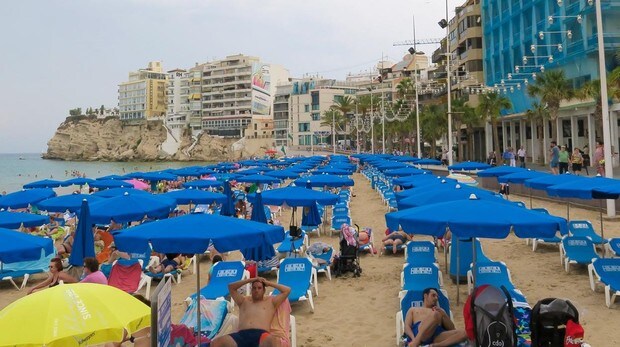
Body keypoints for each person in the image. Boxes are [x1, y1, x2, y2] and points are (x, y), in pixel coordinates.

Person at [211, 277, 291, 347]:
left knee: (272, 341)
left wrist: (268, 283)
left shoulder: (271, 302)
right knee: (216, 343)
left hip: (261, 335)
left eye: (259, 288)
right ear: (251, 289)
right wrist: (251, 279)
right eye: (254, 288)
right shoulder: (243, 301)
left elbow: (287, 290)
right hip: (241, 336)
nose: (256, 290)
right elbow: (231, 287)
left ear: (264, 290)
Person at [403, 287, 468, 347]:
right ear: (425, 296)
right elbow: (407, 327)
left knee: (466, 333)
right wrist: (413, 338)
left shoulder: (440, 311)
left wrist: (444, 314)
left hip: (436, 335)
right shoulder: (413, 309)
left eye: (437, 296)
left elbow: (452, 329)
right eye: (433, 295)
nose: (436, 298)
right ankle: (417, 341)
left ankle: (437, 345)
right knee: (435, 313)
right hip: (420, 332)